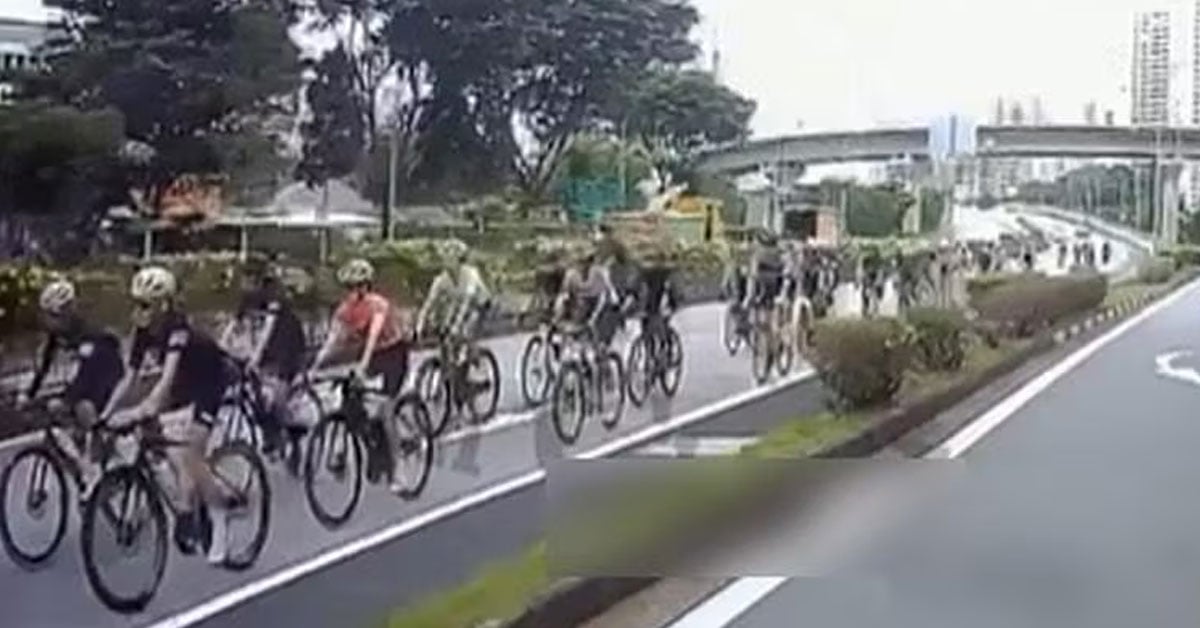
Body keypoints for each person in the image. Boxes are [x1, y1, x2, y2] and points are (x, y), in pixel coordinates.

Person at [101, 267, 235, 564]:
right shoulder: (143, 331)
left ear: (163, 305)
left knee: (192, 454)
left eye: (146, 304)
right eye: (136, 303)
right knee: (155, 435)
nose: (139, 311)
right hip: (183, 384)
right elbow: (129, 378)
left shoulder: (178, 330)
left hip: (209, 381)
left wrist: (141, 409)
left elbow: (164, 381)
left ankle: (219, 517)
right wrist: (106, 414)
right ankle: (184, 504)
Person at [310, 258, 413, 493]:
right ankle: (341, 449)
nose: (354, 292)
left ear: (367, 286)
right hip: (373, 355)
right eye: (349, 287)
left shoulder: (378, 305)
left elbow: (374, 334)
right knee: (349, 397)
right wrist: (315, 367)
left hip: (393, 353)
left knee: (386, 410)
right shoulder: (345, 310)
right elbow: (333, 340)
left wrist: (363, 365)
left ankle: (399, 471)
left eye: (359, 287)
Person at [18, 279, 126, 492]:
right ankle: (86, 469)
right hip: (88, 374)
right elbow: (45, 364)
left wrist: (67, 400)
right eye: (47, 315)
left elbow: (87, 377)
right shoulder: (57, 332)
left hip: (108, 373)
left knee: (83, 409)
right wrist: (28, 393)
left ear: (67, 313)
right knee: (63, 415)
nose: (49, 321)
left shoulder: (89, 334)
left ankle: (103, 467)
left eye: (54, 316)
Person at [220, 257, 308, 455]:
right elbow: (233, 325)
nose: (244, 282)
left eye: (249, 278)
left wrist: (255, 357)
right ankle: (270, 432)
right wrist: (219, 350)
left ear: (259, 279)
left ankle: (291, 427)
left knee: (276, 395)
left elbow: (269, 326)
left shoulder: (274, 295)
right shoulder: (247, 298)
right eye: (244, 278)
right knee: (256, 396)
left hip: (287, 344)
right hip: (266, 347)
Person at [416, 240, 492, 344]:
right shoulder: (441, 279)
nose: (447, 261)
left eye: (451, 258)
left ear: (459, 260)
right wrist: (420, 325)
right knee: (444, 330)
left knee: (466, 331)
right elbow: (429, 303)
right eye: (445, 258)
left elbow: (467, 302)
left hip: (479, 303)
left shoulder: (471, 274)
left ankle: (472, 354)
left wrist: (456, 326)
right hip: (458, 302)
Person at [557, 243, 620, 348]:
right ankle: (572, 342)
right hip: (582, 300)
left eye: (586, 262)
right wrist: (562, 301)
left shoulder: (599, 271)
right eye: (580, 263)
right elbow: (564, 291)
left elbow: (609, 288)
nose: (583, 266)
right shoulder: (571, 274)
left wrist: (614, 298)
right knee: (573, 316)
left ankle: (599, 347)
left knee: (593, 321)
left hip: (598, 299)